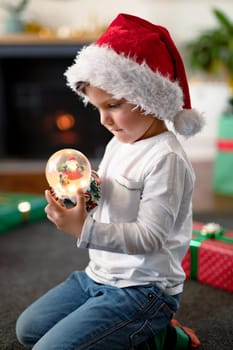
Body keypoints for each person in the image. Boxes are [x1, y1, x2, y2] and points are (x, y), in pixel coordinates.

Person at [16, 13, 204, 350]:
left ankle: (158, 327)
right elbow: (112, 191)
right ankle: (137, 330)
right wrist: (86, 188)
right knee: (28, 330)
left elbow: (149, 238)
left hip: (143, 289)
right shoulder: (120, 141)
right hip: (98, 275)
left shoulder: (167, 158)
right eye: (97, 107)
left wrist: (82, 229)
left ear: (150, 98)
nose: (104, 120)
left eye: (113, 106)